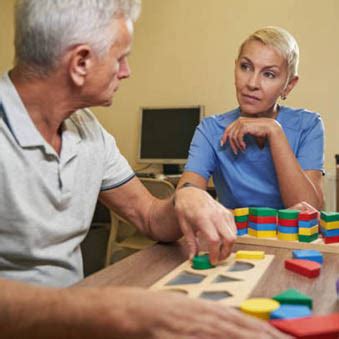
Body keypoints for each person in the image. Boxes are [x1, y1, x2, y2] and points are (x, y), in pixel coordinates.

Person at [0, 1, 288, 338]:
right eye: (120, 58)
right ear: (80, 62)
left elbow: (149, 216)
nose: (126, 72)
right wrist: (107, 309)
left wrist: (185, 198)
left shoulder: (88, 130)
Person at [179, 26, 324, 212]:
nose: (252, 83)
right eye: (245, 67)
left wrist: (275, 131)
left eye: (269, 74)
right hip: (234, 237)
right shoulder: (210, 129)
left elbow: (309, 210)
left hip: (289, 240)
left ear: (288, 86)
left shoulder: (308, 125)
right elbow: (186, 197)